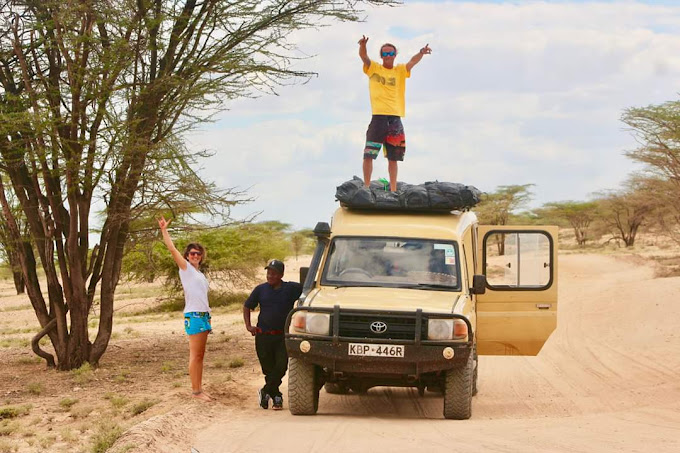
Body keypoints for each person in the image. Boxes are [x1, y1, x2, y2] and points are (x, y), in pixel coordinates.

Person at [358, 35, 432, 192]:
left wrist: (421, 52)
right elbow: (364, 57)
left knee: (393, 157)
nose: (388, 56)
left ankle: (393, 190)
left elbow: (412, 62)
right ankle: (366, 187)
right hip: (378, 117)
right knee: (369, 153)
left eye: (391, 53)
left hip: (395, 118)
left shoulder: (400, 71)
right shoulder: (375, 68)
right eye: (385, 54)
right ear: (381, 56)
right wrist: (363, 45)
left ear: (395, 55)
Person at [158, 215, 213, 402]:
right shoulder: (186, 269)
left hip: (203, 316)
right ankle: (196, 392)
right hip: (194, 315)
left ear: (201, 256)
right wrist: (164, 230)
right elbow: (172, 249)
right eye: (192, 253)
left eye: (198, 253)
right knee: (195, 355)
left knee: (200, 355)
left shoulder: (199, 274)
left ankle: (199, 388)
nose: (195, 256)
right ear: (187, 256)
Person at [243, 259, 302, 410]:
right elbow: (247, 306)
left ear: (281, 274)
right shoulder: (260, 290)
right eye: (268, 273)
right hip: (263, 336)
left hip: (282, 337)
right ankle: (276, 397)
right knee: (268, 369)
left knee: (281, 367)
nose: (270, 276)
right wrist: (249, 326)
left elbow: (309, 288)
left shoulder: (291, 289)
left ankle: (265, 391)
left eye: (274, 273)